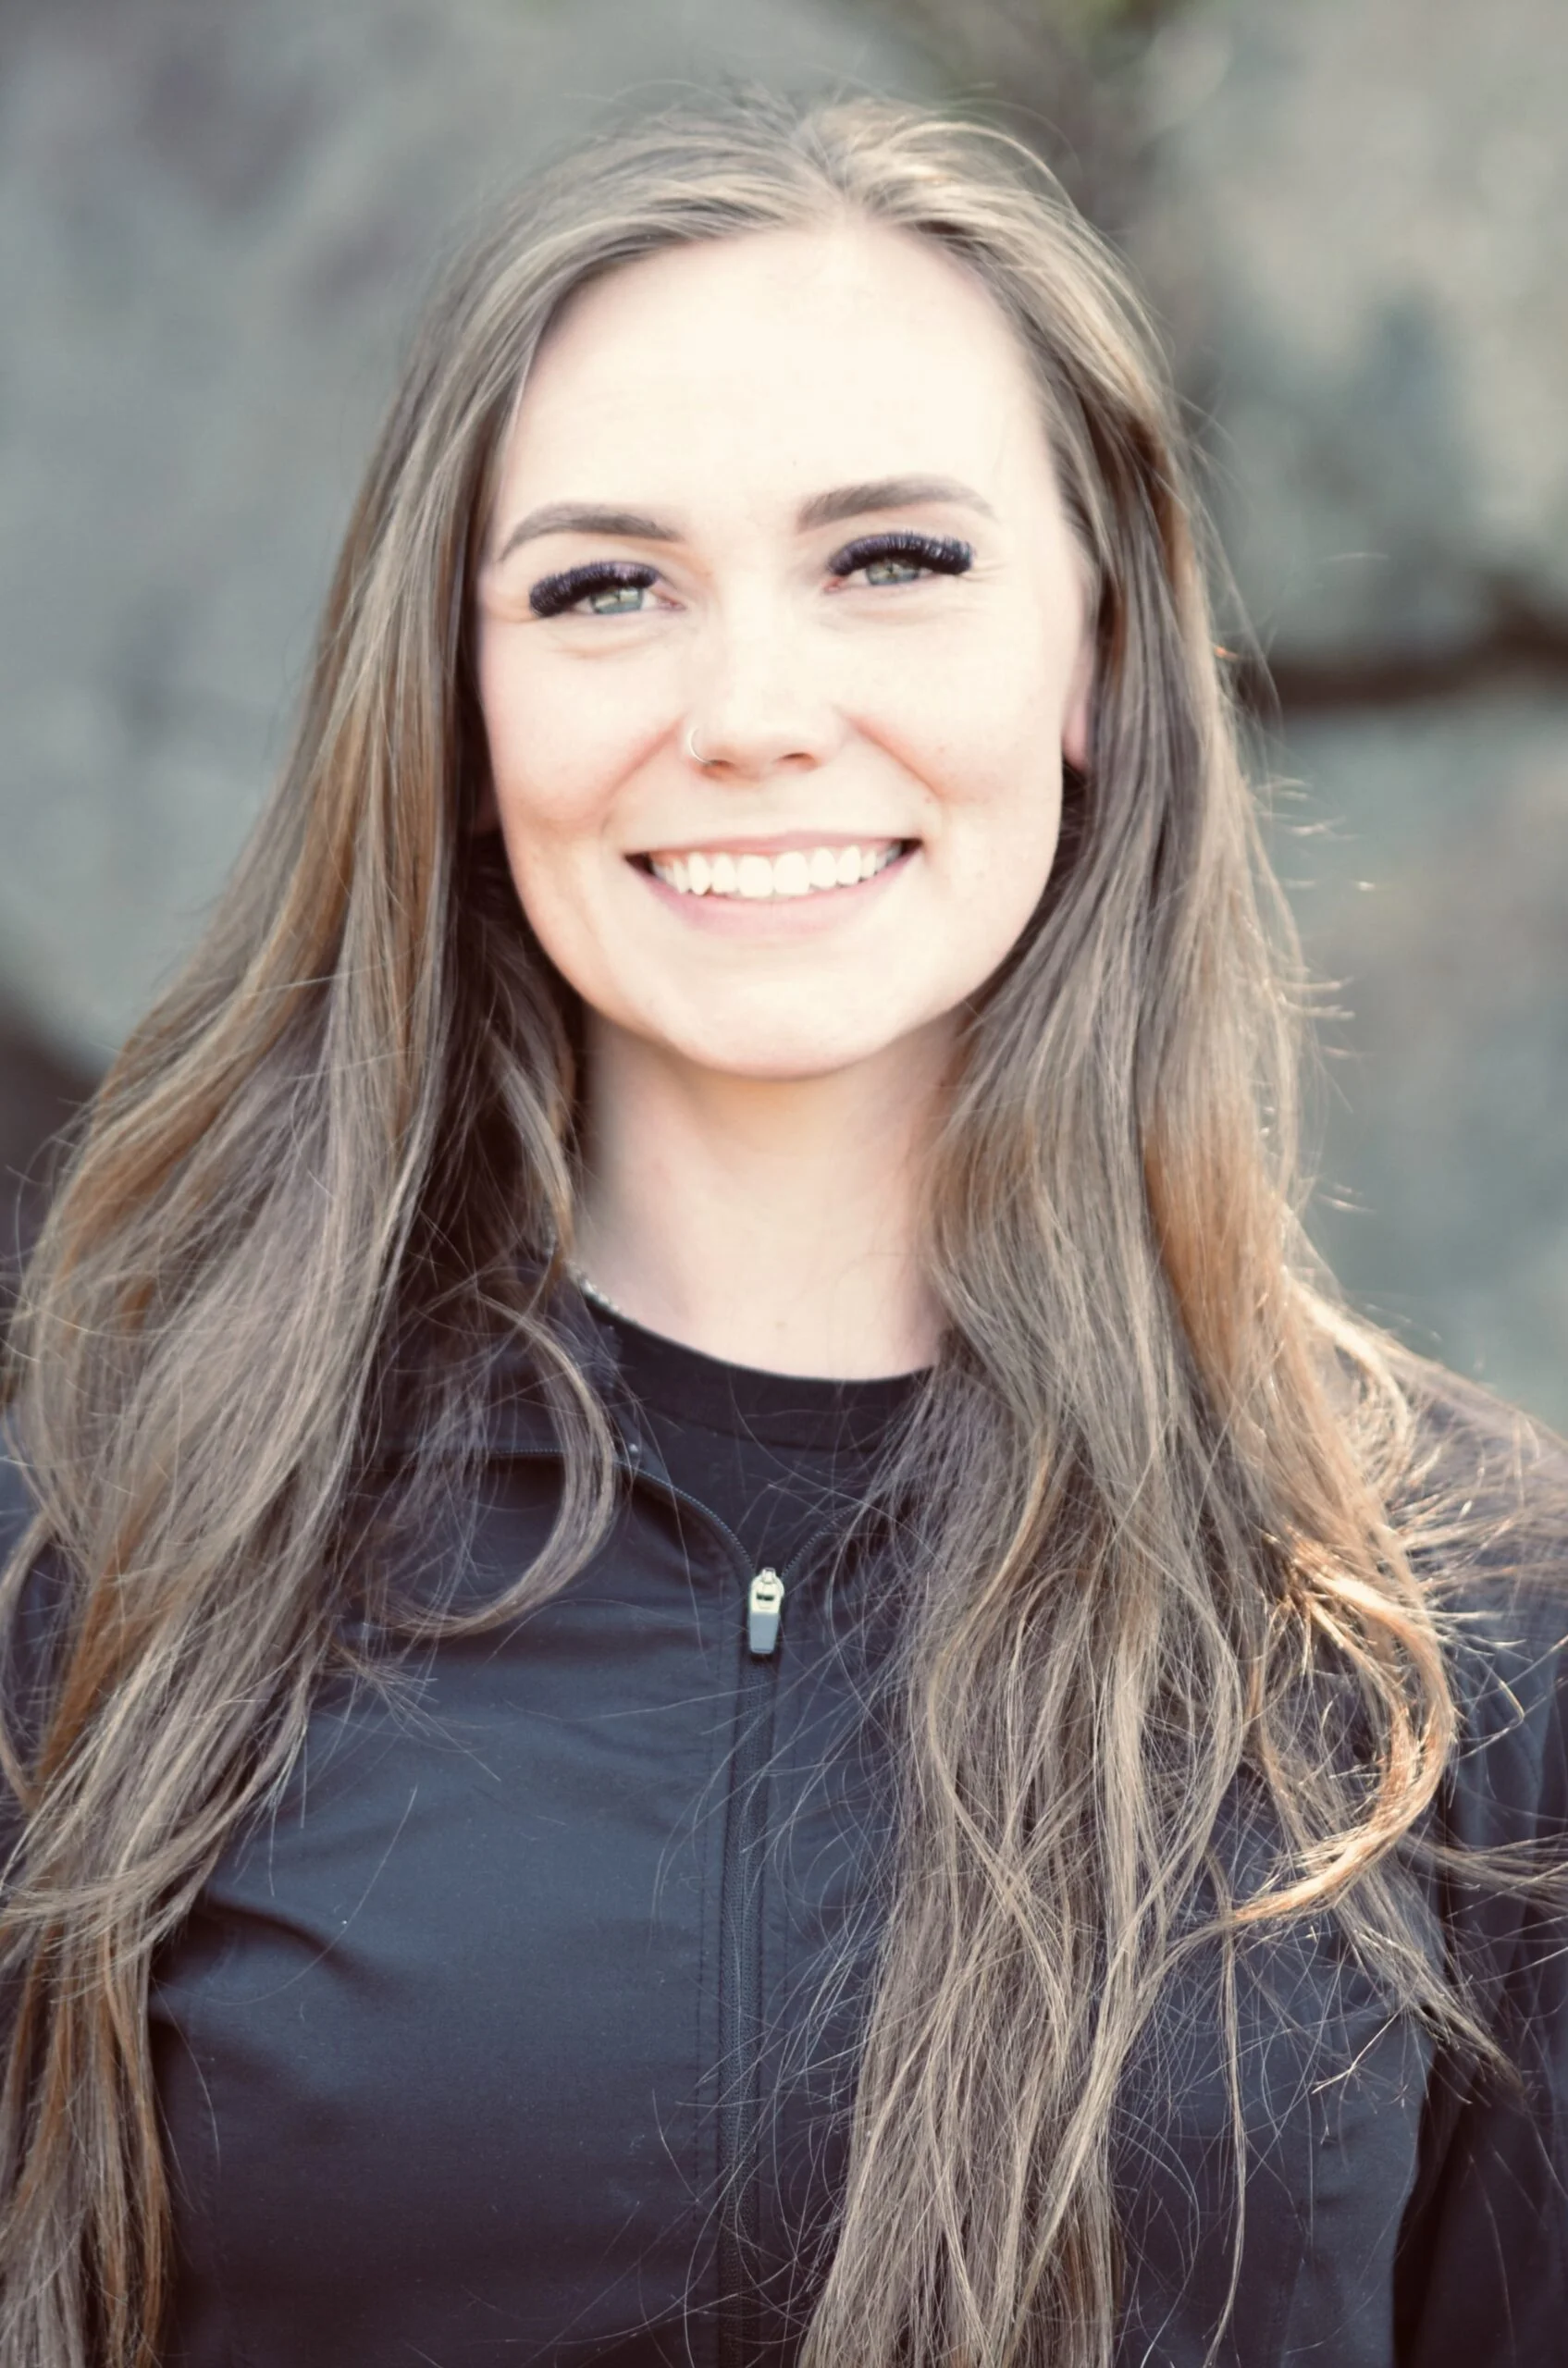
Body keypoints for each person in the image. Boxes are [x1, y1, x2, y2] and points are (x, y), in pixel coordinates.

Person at [0, 92, 1564, 2368]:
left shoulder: (1467, 1624)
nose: (749, 715)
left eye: (894, 560)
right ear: (457, 696)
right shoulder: (105, 1551)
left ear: (1099, 662)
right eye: (602, 586)